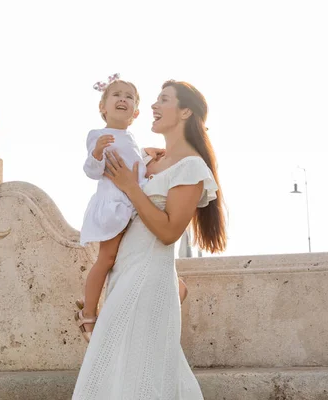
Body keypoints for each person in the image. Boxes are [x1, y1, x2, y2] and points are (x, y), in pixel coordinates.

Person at [72, 80, 227, 399]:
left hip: (148, 282)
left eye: (164, 100)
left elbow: (169, 232)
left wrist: (130, 187)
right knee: (111, 378)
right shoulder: (149, 161)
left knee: (141, 378)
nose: (154, 106)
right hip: (123, 277)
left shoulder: (192, 167)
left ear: (185, 112)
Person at [76, 76, 163, 342]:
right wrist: (97, 153)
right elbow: (92, 171)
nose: (122, 99)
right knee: (107, 258)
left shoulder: (131, 138)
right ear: (103, 107)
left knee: (126, 259)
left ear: (135, 112)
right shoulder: (98, 135)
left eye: (129, 96)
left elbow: (134, 165)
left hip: (132, 203)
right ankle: (88, 313)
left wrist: (148, 155)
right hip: (114, 204)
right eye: (116, 95)